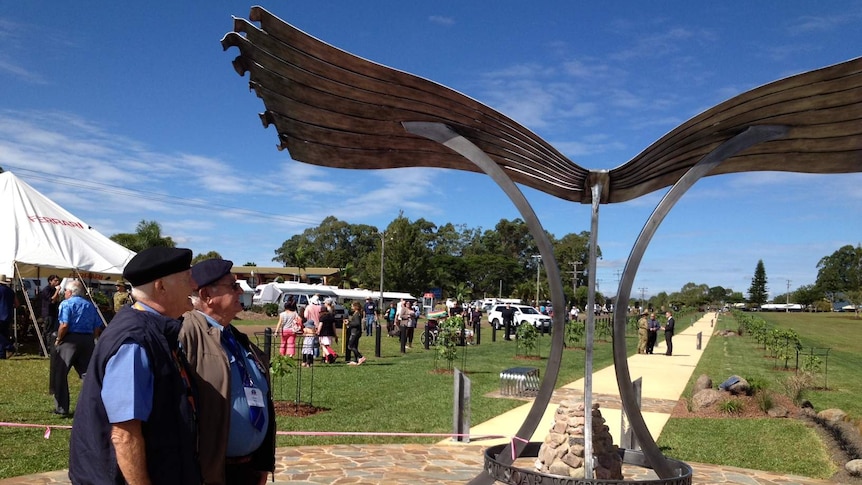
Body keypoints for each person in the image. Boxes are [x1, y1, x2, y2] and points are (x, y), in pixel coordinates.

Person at [69, 247, 200, 484]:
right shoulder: (134, 340)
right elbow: (124, 434)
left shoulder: (154, 331)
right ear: (161, 287)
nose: (194, 285)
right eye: (187, 278)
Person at [180, 258, 275, 485]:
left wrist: (262, 462)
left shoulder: (234, 336)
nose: (241, 290)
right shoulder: (185, 333)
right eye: (233, 286)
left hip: (248, 468)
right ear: (206, 296)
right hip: (211, 472)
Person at [51, 279, 104, 416]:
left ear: (70, 292)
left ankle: (61, 408)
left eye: (66, 291)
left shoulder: (66, 304)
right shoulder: (90, 305)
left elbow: (64, 324)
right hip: (87, 340)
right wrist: (91, 338)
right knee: (89, 375)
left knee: (60, 374)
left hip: (69, 340)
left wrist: (58, 339)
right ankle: (95, 407)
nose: (64, 293)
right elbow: (97, 326)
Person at [39, 275, 62, 353]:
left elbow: (57, 300)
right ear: (50, 281)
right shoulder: (47, 289)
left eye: (58, 281)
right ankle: (46, 349)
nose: (57, 282)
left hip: (53, 312)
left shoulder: (53, 289)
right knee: (47, 332)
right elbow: (51, 300)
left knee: (51, 331)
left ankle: (46, 348)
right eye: (55, 281)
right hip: (48, 313)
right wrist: (57, 291)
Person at [0, 274, 18, 359]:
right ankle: (2, 354)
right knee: (3, 334)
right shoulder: (11, 291)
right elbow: (17, 304)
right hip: (8, 315)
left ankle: (9, 347)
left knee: (1, 335)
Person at [346, 301, 366, 365]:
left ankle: (361, 357)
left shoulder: (357, 314)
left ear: (356, 307)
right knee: (355, 346)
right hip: (356, 332)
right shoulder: (356, 313)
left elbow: (357, 323)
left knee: (350, 346)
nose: (351, 307)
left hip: (355, 332)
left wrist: (349, 323)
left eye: (352, 306)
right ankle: (355, 360)